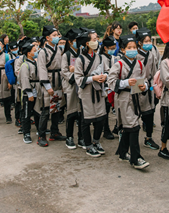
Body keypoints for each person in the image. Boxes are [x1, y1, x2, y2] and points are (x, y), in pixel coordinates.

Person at [107, 34, 149, 169]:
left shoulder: (140, 64)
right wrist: (125, 82)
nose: (132, 50)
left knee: (128, 126)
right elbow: (111, 81)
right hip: (124, 99)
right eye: (129, 48)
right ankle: (136, 158)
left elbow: (145, 79)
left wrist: (145, 86)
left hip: (136, 98)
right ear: (123, 50)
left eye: (134, 47)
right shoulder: (118, 64)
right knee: (133, 126)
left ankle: (122, 152)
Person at [74, 30, 107, 158]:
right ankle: (88, 145)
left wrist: (105, 76)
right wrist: (92, 78)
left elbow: (107, 71)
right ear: (87, 43)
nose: (96, 41)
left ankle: (96, 141)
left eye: (97, 38)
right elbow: (78, 79)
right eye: (94, 39)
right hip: (86, 93)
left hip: (98, 91)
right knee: (86, 120)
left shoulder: (99, 57)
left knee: (101, 118)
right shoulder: (80, 59)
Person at [36, 25, 66, 146]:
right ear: (47, 37)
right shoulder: (43, 52)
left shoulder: (58, 50)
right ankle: (41, 135)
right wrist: (48, 87)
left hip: (58, 81)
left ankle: (55, 132)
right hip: (48, 82)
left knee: (56, 108)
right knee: (45, 110)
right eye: (54, 35)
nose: (57, 37)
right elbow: (42, 69)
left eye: (57, 35)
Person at [135, 28, 160, 150]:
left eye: (149, 41)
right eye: (146, 41)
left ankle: (148, 138)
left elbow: (155, 73)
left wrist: (155, 88)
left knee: (150, 114)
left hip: (149, 87)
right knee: (135, 114)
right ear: (139, 43)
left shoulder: (151, 54)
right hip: (138, 87)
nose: (148, 43)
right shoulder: (135, 56)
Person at [60, 29, 83, 149]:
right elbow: (64, 71)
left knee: (81, 113)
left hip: (81, 86)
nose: (77, 43)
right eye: (75, 41)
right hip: (70, 86)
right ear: (70, 42)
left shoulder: (82, 52)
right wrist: (73, 76)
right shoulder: (66, 55)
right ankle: (69, 137)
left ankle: (81, 137)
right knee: (71, 112)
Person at [19, 41, 39, 144]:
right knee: (26, 113)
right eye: (34, 51)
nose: (36, 52)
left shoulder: (35, 63)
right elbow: (24, 80)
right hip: (29, 92)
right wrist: (29, 93)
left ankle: (39, 129)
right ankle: (26, 133)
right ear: (28, 53)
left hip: (37, 89)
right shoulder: (25, 65)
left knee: (37, 112)